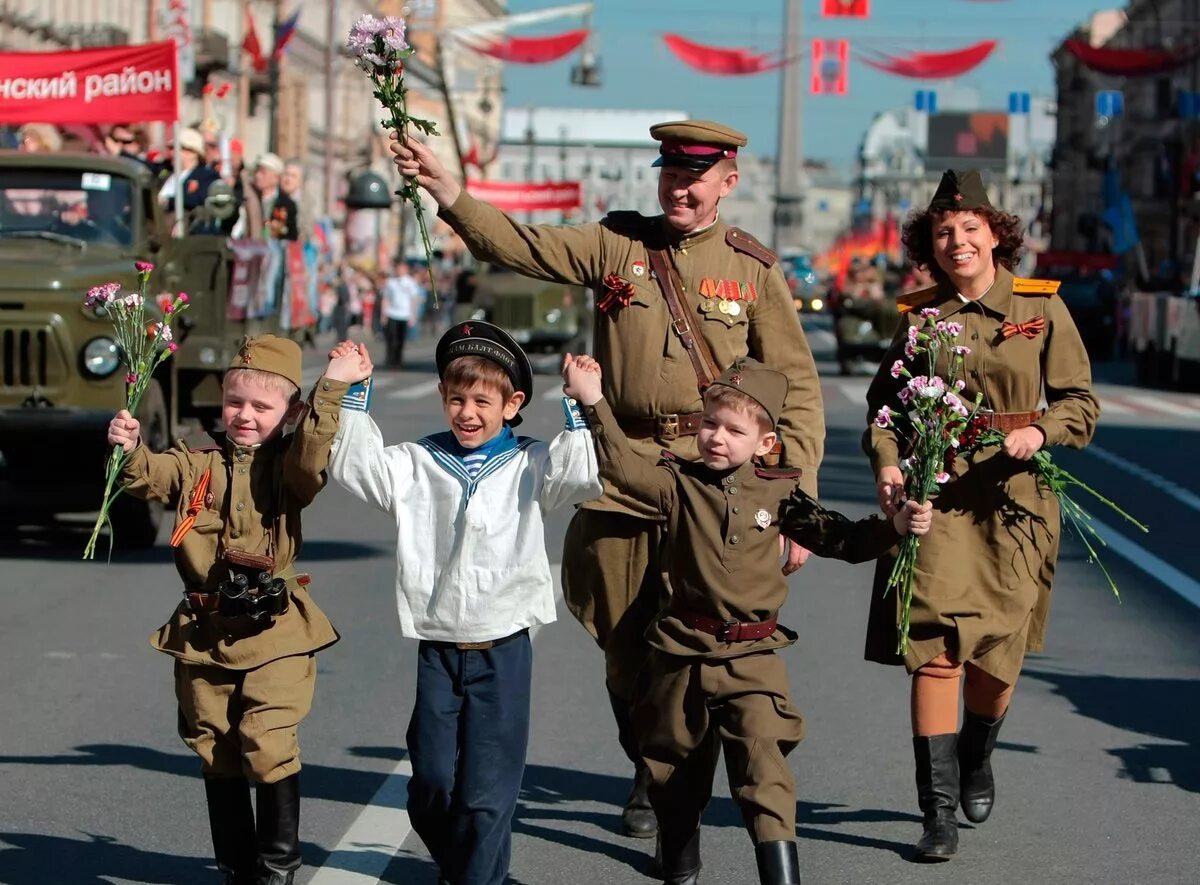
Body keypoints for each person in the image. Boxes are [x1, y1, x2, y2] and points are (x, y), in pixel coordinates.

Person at [392, 119, 825, 837]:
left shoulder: (752, 268)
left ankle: (665, 785)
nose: (681, 187)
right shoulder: (617, 245)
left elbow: (798, 389)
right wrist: (451, 194)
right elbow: (523, 245)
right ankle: (648, 759)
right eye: (671, 174)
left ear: (727, 181)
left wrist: (792, 496)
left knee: (696, 642)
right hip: (620, 468)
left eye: (696, 177)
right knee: (624, 645)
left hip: (708, 481)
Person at [562, 355, 931, 884]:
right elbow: (624, 467)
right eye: (710, 423)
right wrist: (594, 401)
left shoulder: (779, 492)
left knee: (765, 770)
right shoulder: (678, 483)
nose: (716, 437)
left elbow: (841, 538)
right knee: (676, 775)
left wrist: (895, 526)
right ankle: (681, 864)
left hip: (752, 657)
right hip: (682, 653)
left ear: (764, 443)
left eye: (735, 430)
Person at [862, 170, 1100, 861]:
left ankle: (976, 749)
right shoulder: (920, 316)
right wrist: (885, 461)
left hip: (1014, 504)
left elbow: (1081, 401)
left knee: (998, 661)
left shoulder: (1041, 307)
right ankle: (935, 813)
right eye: (942, 232)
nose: (956, 241)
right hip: (936, 499)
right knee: (934, 652)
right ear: (928, 245)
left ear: (996, 233)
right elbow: (886, 412)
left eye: (969, 228)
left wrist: (1044, 430)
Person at [325, 322, 601, 885]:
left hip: (503, 650)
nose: (468, 412)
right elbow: (358, 469)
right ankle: (468, 868)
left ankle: (477, 877)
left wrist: (580, 401)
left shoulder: (531, 461)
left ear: (513, 403)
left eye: (483, 400)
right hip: (439, 647)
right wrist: (352, 393)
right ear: (442, 399)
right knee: (432, 784)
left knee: (486, 795)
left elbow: (580, 475)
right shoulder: (417, 461)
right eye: (457, 398)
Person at [106, 335, 342, 885]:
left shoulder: (289, 466)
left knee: (269, 743)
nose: (245, 415)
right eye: (236, 402)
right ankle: (238, 871)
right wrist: (129, 445)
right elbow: (147, 477)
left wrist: (331, 388)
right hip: (204, 630)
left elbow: (312, 461)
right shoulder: (198, 460)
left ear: (291, 412)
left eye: (263, 407)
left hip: (276, 629)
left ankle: (277, 870)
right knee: (216, 750)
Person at [381, 259, 420, 367]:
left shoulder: (410, 282)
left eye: (402, 268)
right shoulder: (390, 282)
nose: (399, 271)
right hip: (392, 313)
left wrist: (413, 315)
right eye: (398, 268)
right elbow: (386, 298)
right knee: (391, 338)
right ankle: (390, 359)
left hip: (405, 315)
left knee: (400, 340)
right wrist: (383, 315)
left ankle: (398, 360)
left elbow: (414, 299)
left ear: (406, 269)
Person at [253, 152, 298, 241]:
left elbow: (291, 237)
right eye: (257, 171)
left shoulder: (286, 204)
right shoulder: (250, 198)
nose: (257, 175)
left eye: (263, 172)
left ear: (276, 178)